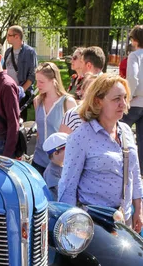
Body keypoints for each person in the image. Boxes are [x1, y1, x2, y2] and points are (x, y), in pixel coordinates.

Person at [58, 74, 143, 232]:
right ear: (98, 101)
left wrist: (139, 208)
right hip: (94, 225)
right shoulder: (81, 136)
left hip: (125, 222)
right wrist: (70, 229)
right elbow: (68, 186)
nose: (123, 104)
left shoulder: (126, 131)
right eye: (116, 98)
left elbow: (134, 173)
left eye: (125, 98)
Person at [32, 62, 76, 175]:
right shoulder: (37, 101)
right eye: (37, 81)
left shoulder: (68, 102)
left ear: (53, 81)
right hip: (38, 160)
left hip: (59, 163)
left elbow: (76, 135)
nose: (37, 85)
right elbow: (39, 132)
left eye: (41, 82)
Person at [3, 25, 37, 119]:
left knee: (20, 119)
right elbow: (4, 71)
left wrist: (21, 91)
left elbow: (33, 74)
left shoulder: (30, 52)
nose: (7, 37)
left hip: (22, 93)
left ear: (17, 36)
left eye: (9, 35)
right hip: (8, 91)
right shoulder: (8, 52)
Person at [122, 25, 143, 171]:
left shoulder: (134, 56)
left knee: (119, 131)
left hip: (135, 102)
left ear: (135, 40)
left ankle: (124, 166)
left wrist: (128, 97)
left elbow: (133, 78)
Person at [42, 132, 69, 200]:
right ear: (56, 153)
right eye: (68, 150)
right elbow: (62, 192)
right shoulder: (51, 172)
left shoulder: (63, 165)